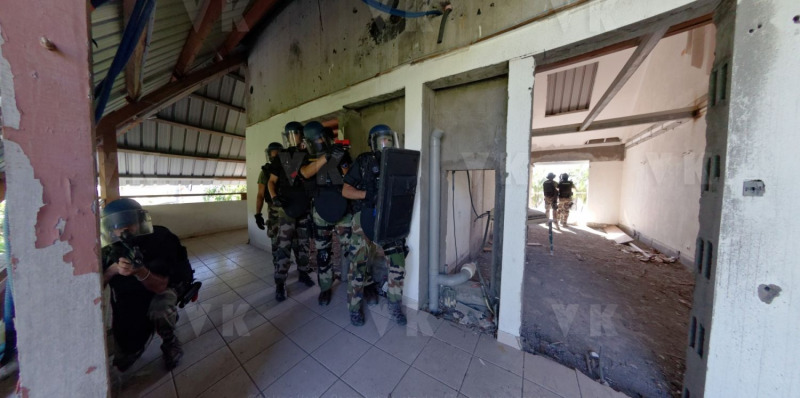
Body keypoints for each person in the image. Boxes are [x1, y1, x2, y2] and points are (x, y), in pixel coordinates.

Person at [100, 198, 193, 371]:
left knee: (161, 309)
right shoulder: (108, 249)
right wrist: (113, 269)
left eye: (130, 224)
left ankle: (170, 342)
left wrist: (140, 271)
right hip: (129, 294)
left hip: (160, 287)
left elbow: (161, 286)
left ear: (139, 222)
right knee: (125, 353)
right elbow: (97, 287)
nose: (124, 231)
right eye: (118, 226)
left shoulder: (160, 239)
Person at [342, 124, 408, 326]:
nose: (384, 144)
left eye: (388, 140)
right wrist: (368, 195)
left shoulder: (399, 160)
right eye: (381, 140)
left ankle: (395, 307)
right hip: (364, 218)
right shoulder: (363, 161)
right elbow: (346, 190)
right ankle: (354, 309)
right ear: (373, 142)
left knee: (397, 263)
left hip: (390, 218)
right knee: (357, 265)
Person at [297, 122, 361, 306]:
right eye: (314, 140)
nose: (318, 142)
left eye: (320, 138)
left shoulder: (340, 152)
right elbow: (305, 173)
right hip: (320, 209)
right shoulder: (306, 157)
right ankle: (325, 287)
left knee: (351, 248)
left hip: (342, 206)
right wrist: (327, 156)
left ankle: (357, 285)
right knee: (323, 252)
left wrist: (340, 157)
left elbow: (350, 176)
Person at [267, 122, 315, 302]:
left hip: (303, 208)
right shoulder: (281, 157)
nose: (293, 138)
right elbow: (272, 182)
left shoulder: (308, 155)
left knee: (303, 245)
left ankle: (303, 273)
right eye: (290, 135)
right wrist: (274, 198)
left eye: (296, 134)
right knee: (283, 247)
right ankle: (280, 283)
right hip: (286, 209)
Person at [255, 142, 284, 261]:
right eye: (273, 153)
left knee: (295, 239)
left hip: (289, 207)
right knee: (275, 238)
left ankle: (300, 268)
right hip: (274, 209)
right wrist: (258, 214)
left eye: (278, 152)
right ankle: (278, 265)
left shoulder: (288, 167)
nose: (275, 155)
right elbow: (261, 195)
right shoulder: (265, 172)